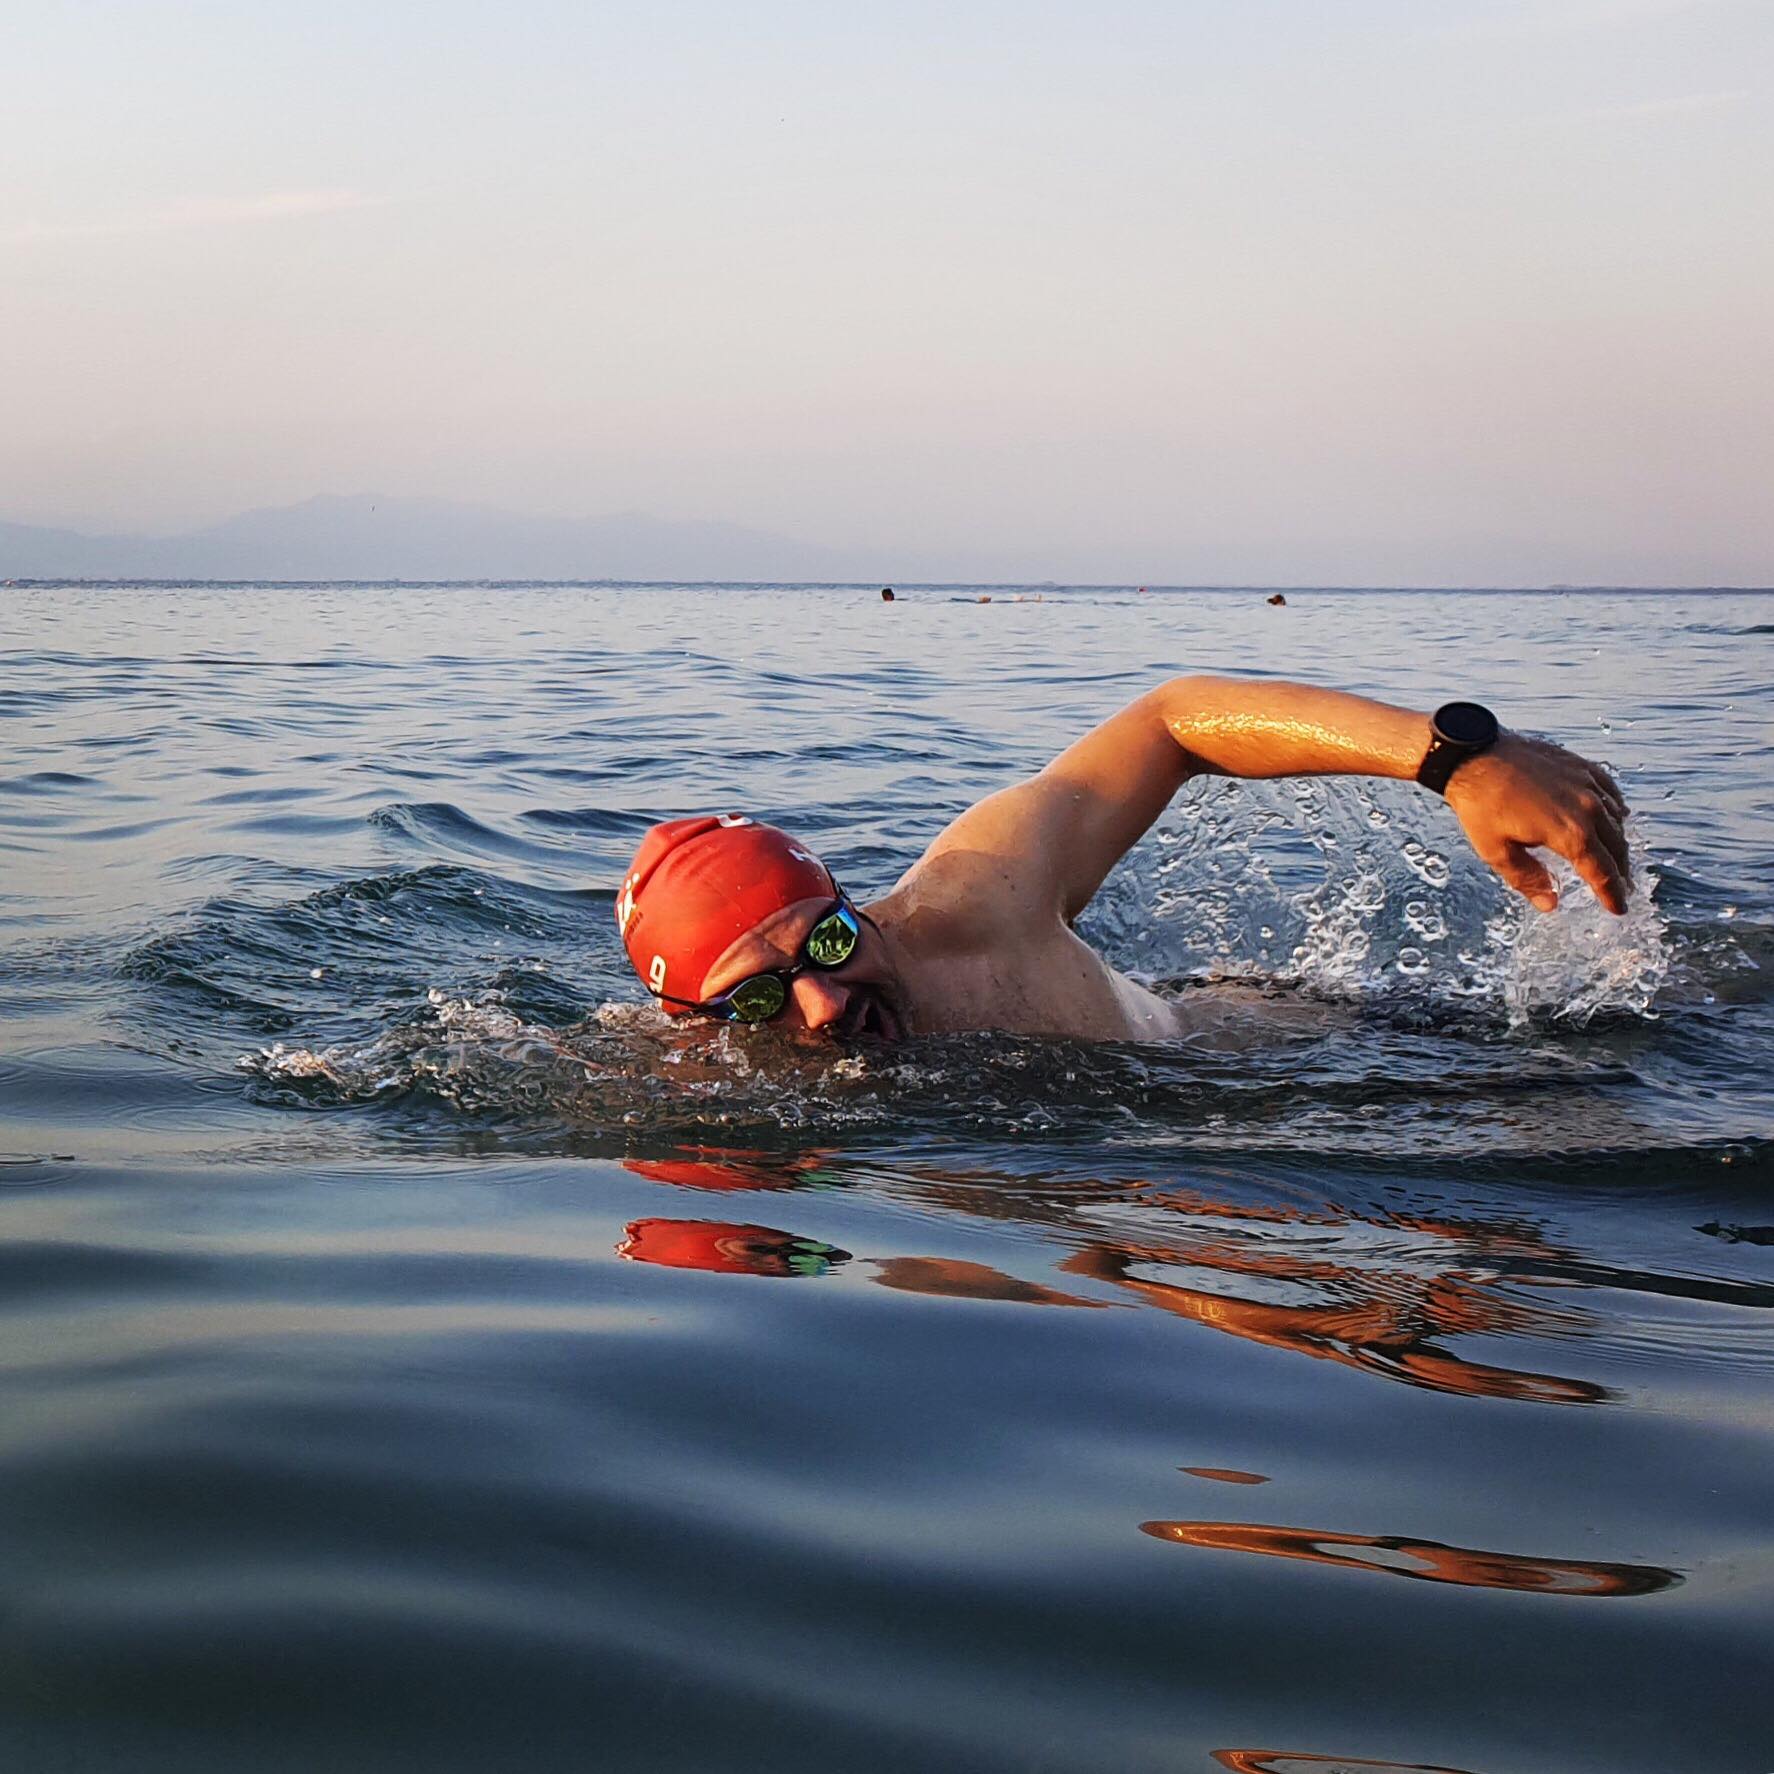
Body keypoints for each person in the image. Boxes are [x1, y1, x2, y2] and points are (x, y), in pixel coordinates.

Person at [614, 678, 1631, 1042]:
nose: (826, 1004)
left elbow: (1173, 720)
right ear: (694, 1026)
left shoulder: (979, 898)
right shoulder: (690, 1074)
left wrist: (1453, 758)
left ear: (851, 905)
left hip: (1294, 1036)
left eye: (829, 941)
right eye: (757, 1001)